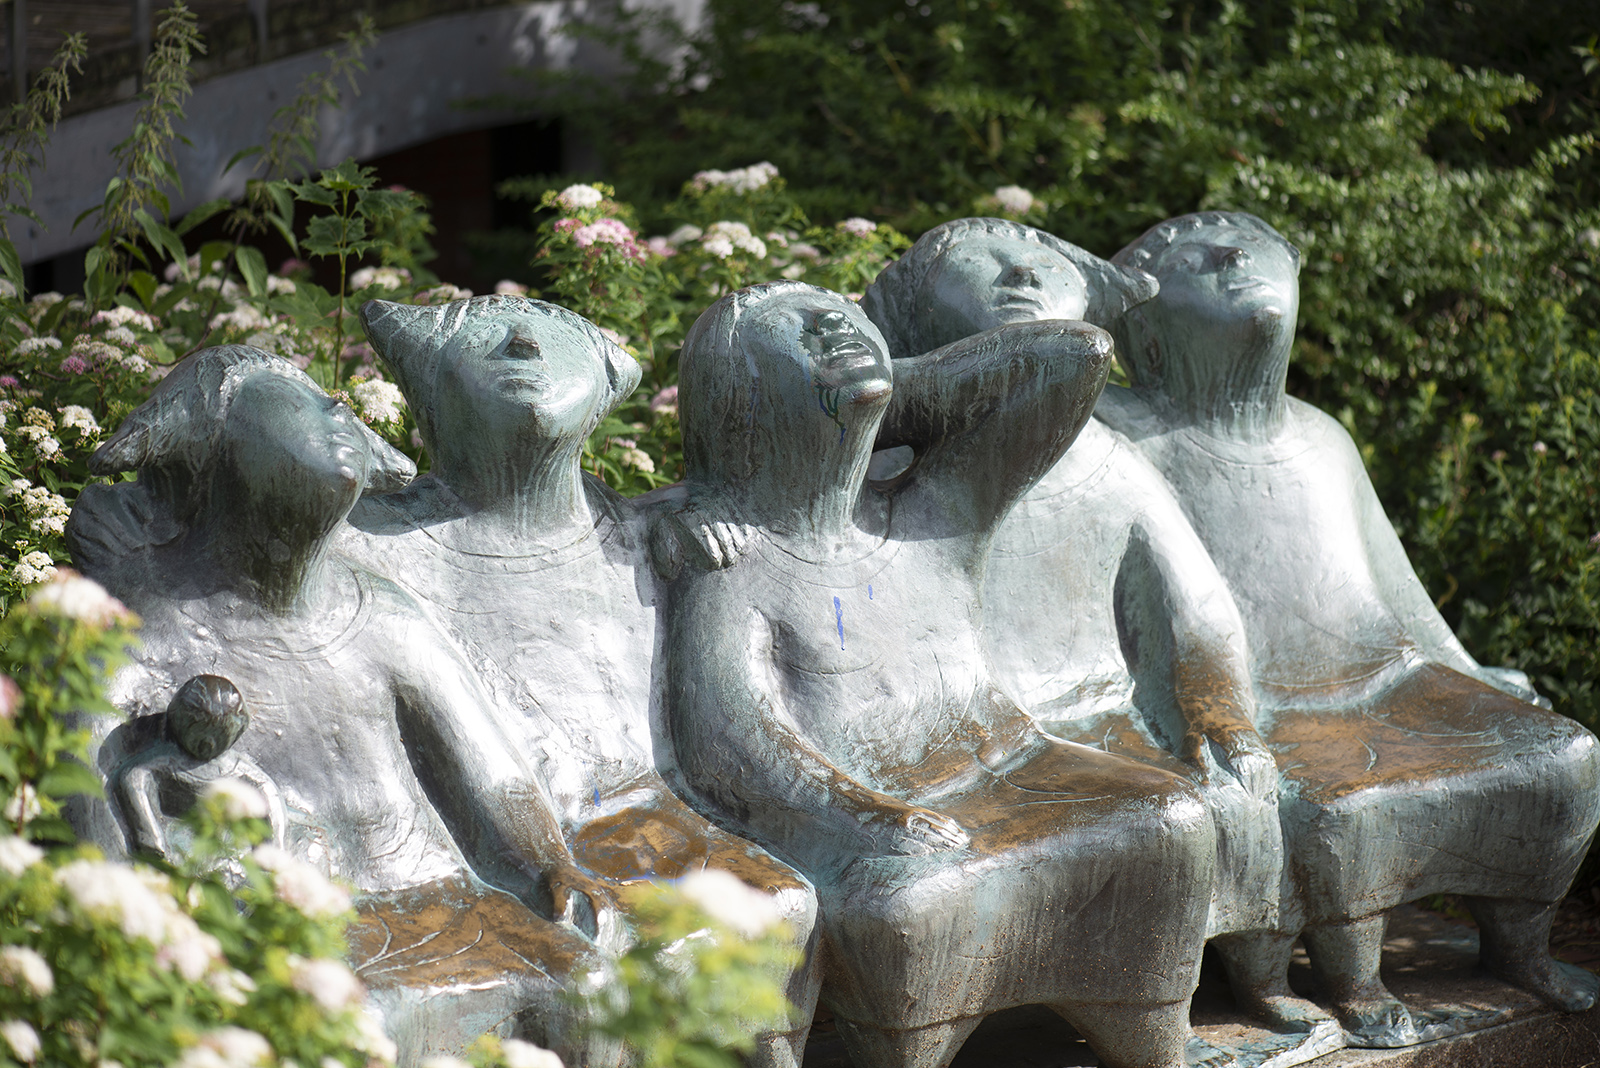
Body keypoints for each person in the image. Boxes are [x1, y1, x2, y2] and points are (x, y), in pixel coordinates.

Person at [660, 279, 1226, 1068]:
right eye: (799, 331)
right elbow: (732, 737)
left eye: (847, 319)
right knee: (909, 898)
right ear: (738, 395)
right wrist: (871, 815)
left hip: (1002, 757)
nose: (833, 326)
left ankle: (1153, 1041)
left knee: (1172, 820)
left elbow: (1075, 357)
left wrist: (884, 387)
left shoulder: (932, 508)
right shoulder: (731, 560)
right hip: (857, 807)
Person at [1099, 211, 1600, 1046]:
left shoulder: (1323, 440)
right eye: (1196, 260)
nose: (1233, 259)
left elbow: (1397, 602)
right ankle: (1351, 980)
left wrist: (1466, 670)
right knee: (1337, 800)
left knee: (1563, 754)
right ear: (1143, 327)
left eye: (1253, 248)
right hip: (1248, 702)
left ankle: (1519, 946)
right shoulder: (1133, 444)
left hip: (1383, 673)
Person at [861, 217, 1337, 1050]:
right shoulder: (887, 474)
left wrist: (1216, 712)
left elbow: (1199, 613)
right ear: (910, 317)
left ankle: (1251, 981)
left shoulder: (1113, 462)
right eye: (977, 261)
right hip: (972, 733)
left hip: (1109, 713)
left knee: (1238, 791)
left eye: (1042, 260)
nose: (1019, 273)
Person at [68, 347, 613, 1064]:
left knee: (588, 984)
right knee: (365, 1027)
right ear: (215, 442)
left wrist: (549, 863)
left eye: (334, 398)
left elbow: (492, 773)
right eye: (296, 397)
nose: (339, 409)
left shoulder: (384, 616)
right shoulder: (138, 637)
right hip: (282, 934)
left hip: (438, 896)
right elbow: (92, 832)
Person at [344, 295, 820, 1068]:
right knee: (586, 961)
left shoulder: (638, 534)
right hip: (497, 843)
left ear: (604, 388)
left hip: (649, 813)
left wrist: (700, 533)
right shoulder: (384, 549)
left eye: (553, 332)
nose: (526, 340)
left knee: (784, 903)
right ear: (431, 387)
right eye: (486, 336)